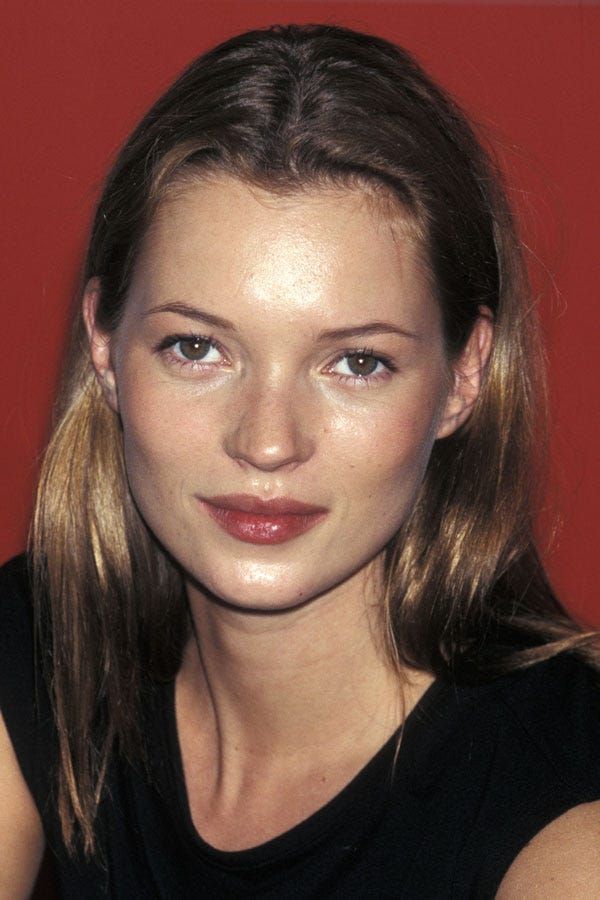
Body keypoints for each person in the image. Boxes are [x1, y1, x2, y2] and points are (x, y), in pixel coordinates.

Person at [1, 22, 599, 899]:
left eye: (358, 362)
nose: (267, 441)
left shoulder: (568, 814)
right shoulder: (39, 644)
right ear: (104, 343)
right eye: (197, 348)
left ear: (464, 376)